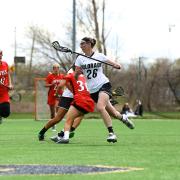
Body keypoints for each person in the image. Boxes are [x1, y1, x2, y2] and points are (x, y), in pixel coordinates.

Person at [75, 37, 135, 143]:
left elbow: (113, 63)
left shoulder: (99, 56)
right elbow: (77, 73)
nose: (81, 46)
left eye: (83, 43)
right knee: (113, 113)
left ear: (89, 44)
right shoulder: (80, 59)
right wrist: (78, 72)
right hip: (92, 90)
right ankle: (123, 118)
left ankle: (111, 133)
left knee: (100, 107)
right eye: (80, 44)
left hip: (103, 84)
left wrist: (116, 65)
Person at [38, 69, 83, 141]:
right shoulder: (72, 71)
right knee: (57, 119)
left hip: (79, 97)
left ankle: (63, 133)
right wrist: (74, 92)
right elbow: (65, 84)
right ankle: (42, 132)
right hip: (68, 97)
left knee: (80, 115)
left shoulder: (86, 69)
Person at [55, 66, 95, 144]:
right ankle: (66, 132)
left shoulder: (71, 75)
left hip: (79, 100)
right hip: (89, 103)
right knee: (78, 116)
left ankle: (65, 137)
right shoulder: (88, 77)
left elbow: (60, 85)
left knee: (68, 119)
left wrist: (57, 93)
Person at [45, 63, 64, 131]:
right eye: (55, 68)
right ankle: (52, 125)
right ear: (53, 69)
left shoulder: (62, 76)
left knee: (57, 108)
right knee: (52, 112)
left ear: (59, 69)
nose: (56, 69)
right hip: (51, 95)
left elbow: (64, 84)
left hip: (59, 95)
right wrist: (51, 84)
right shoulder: (50, 76)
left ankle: (56, 119)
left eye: (57, 68)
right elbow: (46, 85)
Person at [0, 50, 13, 124]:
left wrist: (10, 84)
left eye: (1, 54)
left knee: (6, 113)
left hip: (4, 91)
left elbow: (8, 74)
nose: (0, 56)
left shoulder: (5, 64)